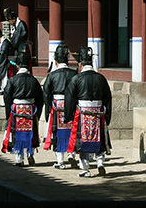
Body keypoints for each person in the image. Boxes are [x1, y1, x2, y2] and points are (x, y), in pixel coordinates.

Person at [64, 47, 112, 178]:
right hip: (98, 112)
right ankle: (100, 163)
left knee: (82, 141)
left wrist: (68, 116)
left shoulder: (76, 79)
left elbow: (70, 98)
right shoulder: (101, 78)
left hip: (83, 113)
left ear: (80, 65)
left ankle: (85, 169)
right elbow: (108, 98)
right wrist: (107, 116)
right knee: (99, 139)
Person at [1, 50, 43, 166]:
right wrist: (37, 113)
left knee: (17, 133)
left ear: (17, 66)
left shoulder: (13, 80)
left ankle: (19, 159)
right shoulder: (34, 81)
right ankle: (31, 154)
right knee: (31, 132)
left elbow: (7, 97)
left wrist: (9, 112)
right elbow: (40, 98)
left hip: (17, 110)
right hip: (31, 109)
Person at [42, 44, 78, 169]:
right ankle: (71, 154)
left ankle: (60, 161)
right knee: (72, 130)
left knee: (58, 132)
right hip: (71, 105)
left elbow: (46, 93)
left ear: (56, 62)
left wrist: (47, 110)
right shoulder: (74, 74)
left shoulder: (52, 75)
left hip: (57, 105)